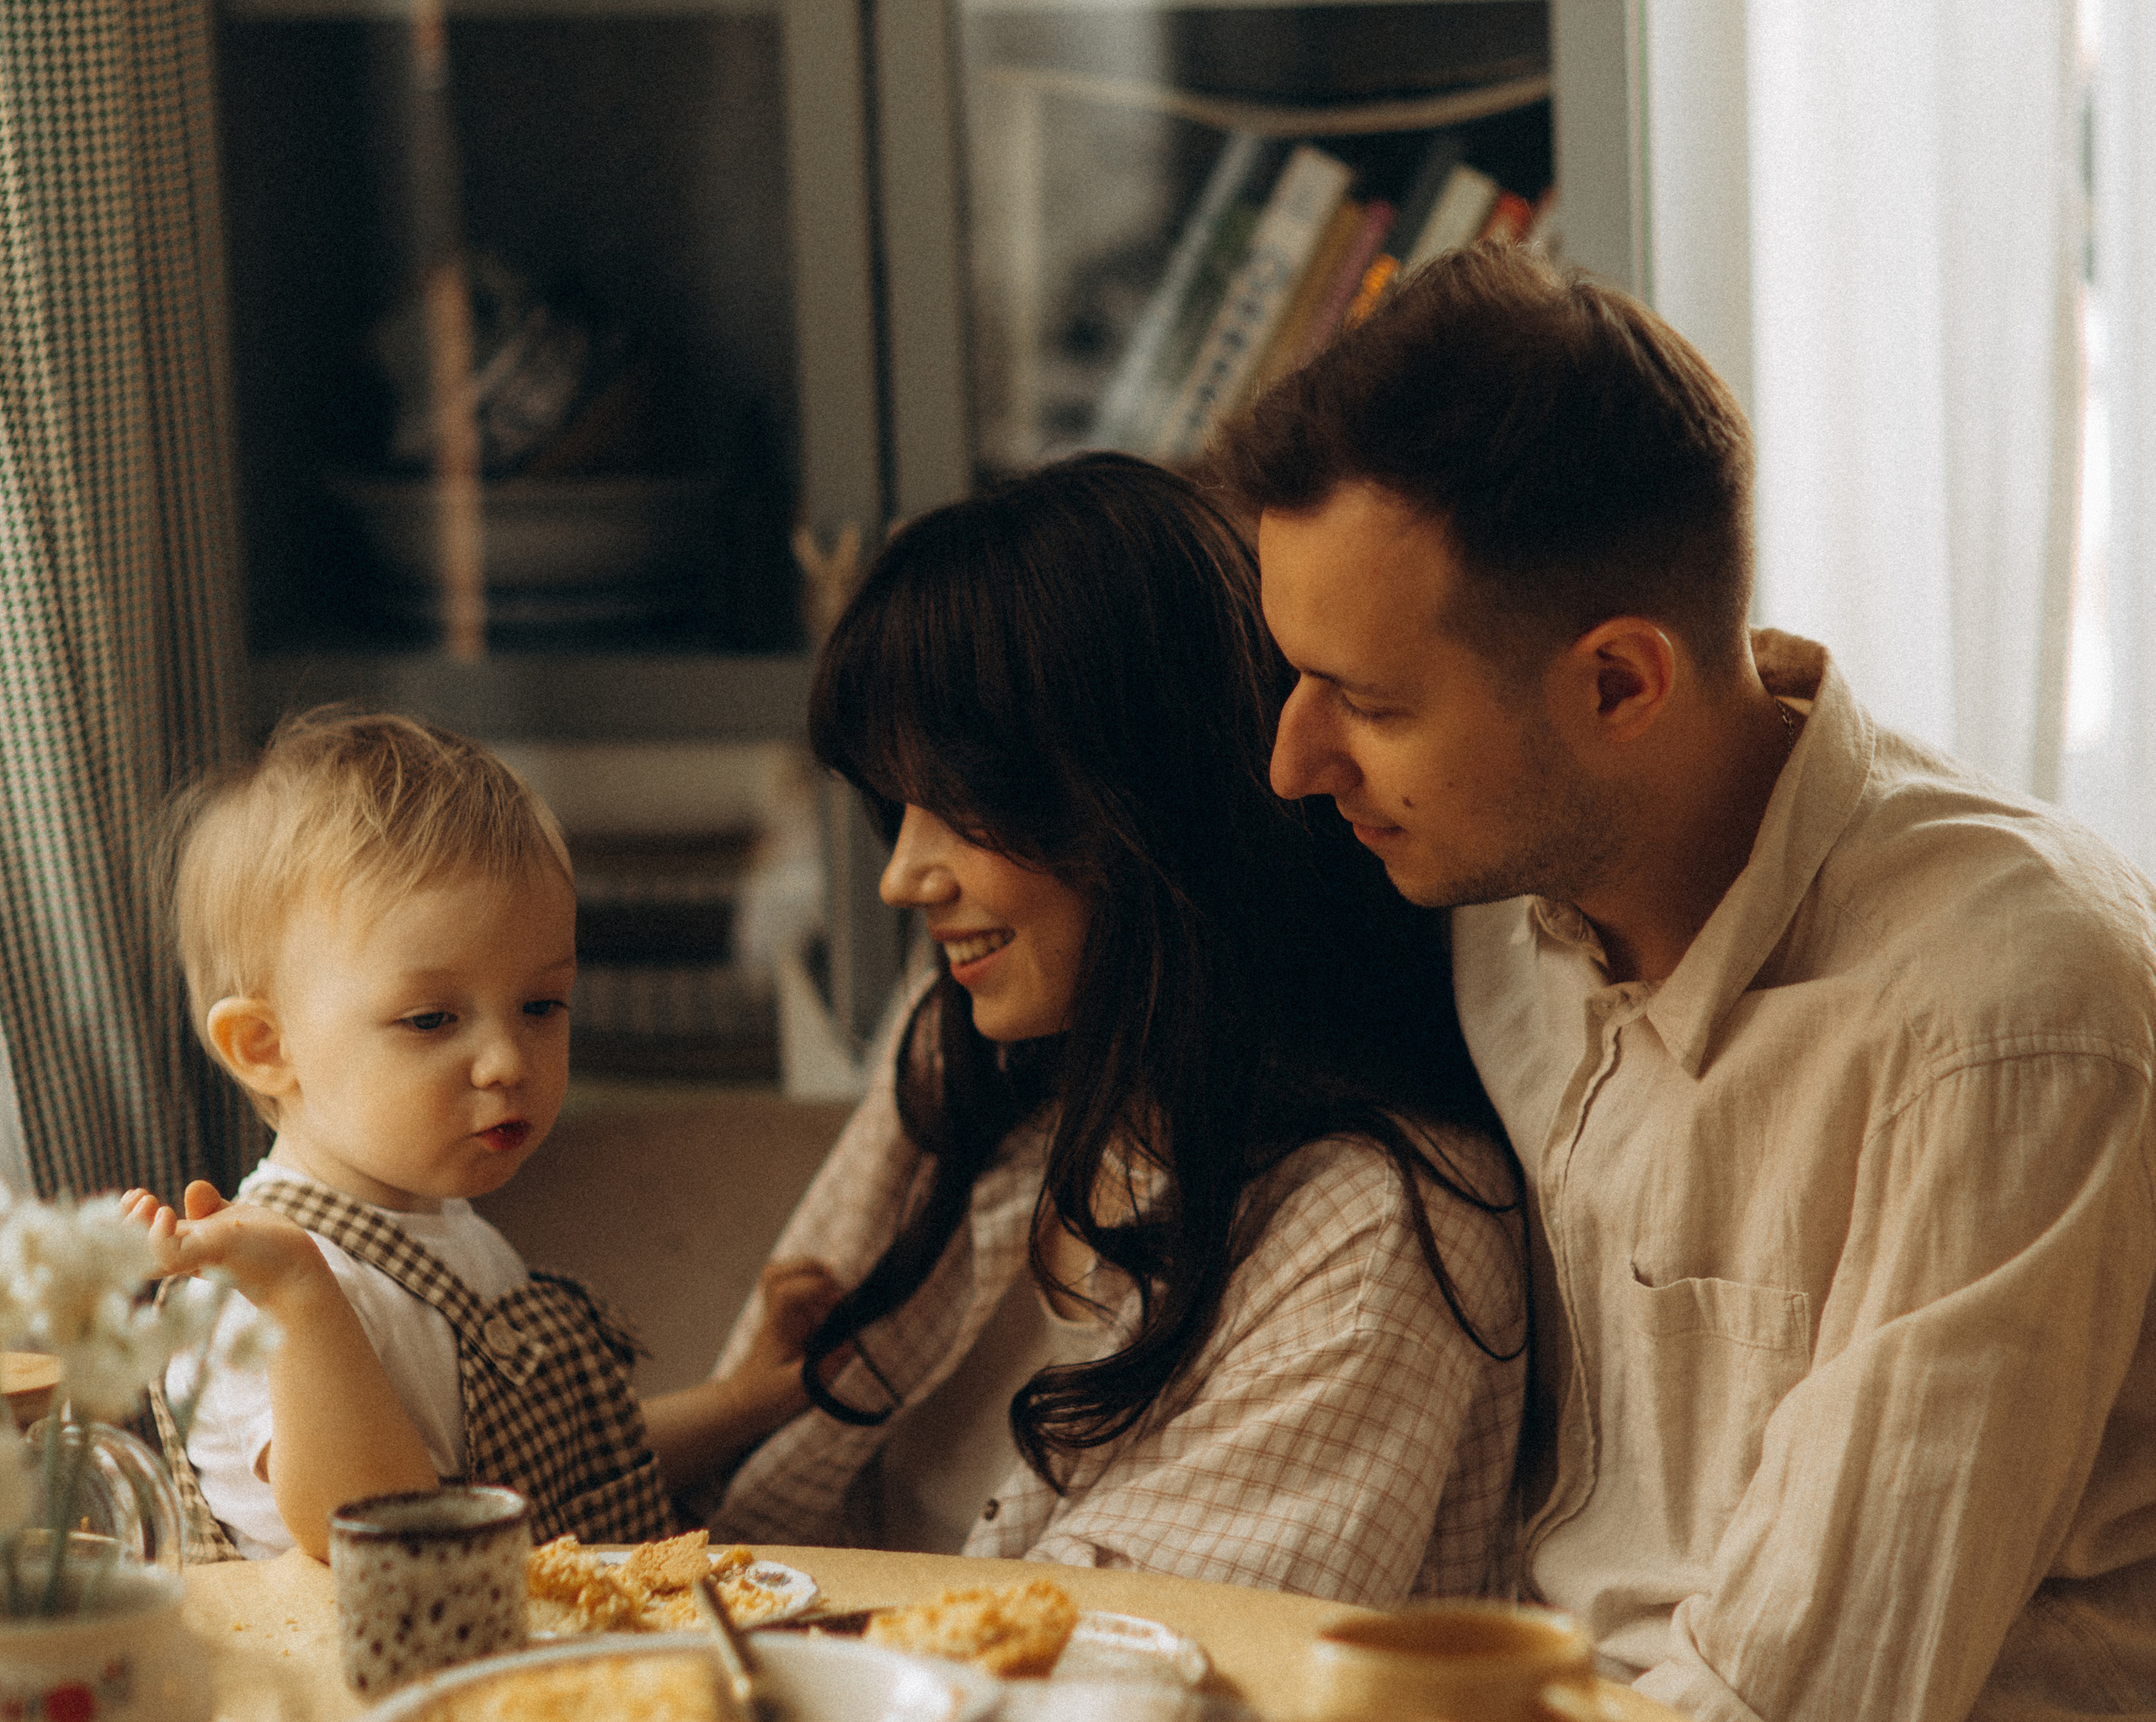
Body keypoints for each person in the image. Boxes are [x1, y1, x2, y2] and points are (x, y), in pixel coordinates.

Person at [1219, 237, 2156, 1722]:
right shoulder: (1495, 922)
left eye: (1359, 695)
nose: (1291, 759)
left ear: (1621, 680)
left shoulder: (2005, 1015)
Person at [704, 452, 1527, 1604]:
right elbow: (734, 1475)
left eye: (958, 807)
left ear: (1140, 802)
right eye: (899, 812)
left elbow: (1113, 1685)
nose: (902, 879)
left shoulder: (1374, 1233)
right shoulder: (977, 1064)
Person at [131, 711, 814, 1559]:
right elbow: (378, 1529)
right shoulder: (248, 1295)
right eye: (430, 1019)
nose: (505, 1061)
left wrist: (744, 1401)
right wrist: (303, 1296)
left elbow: (569, 1479)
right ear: (266, 1049)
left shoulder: (461, 1240)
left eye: (540, 1006)